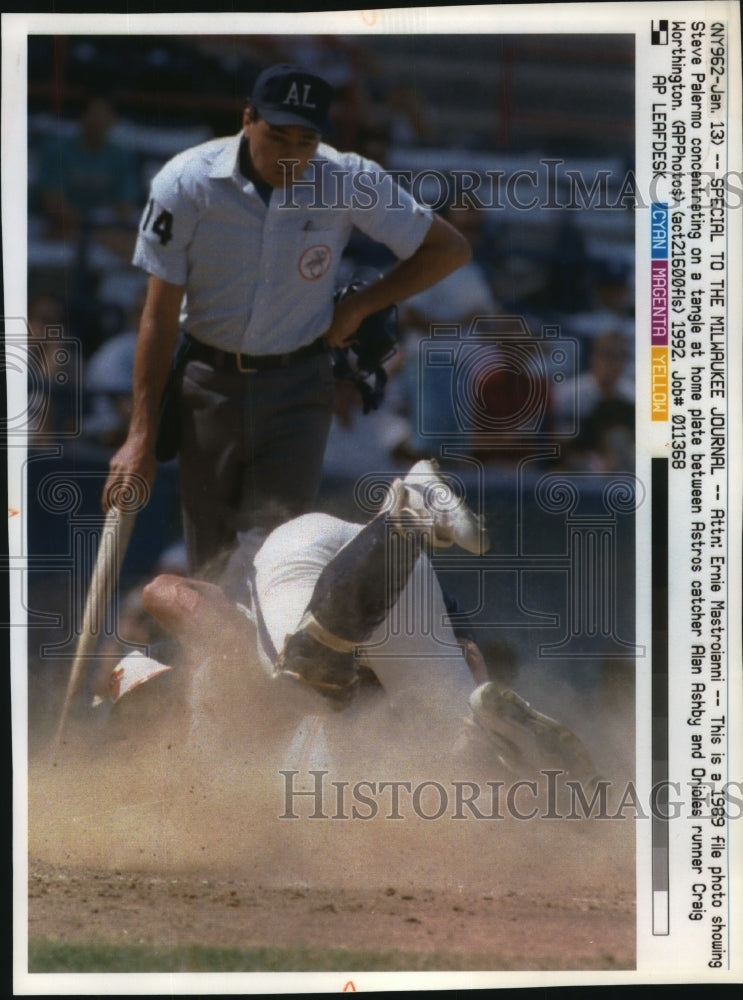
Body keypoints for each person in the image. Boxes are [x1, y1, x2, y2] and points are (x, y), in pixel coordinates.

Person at [103, 64, 471, 594]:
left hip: (297, 385)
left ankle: (398, 526)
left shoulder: (346, 178)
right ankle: (216, 676)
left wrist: (363, 305)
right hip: (207, 383)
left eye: (305, 140)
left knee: (274, 556)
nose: (291, 154)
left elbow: (450, 249)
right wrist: (138, 436)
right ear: (247, 119)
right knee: (211, 565)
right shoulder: (186, 183)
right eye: (277, 136)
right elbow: (158, 317)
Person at [103, 461, 596, 782]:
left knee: (304, 676)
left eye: (141, 709)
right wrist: (478, 688)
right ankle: (560, 801)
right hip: (391, 581)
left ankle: (404, 512)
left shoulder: (203, 687)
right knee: (463, 758)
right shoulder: (201, 771)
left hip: (299, 563)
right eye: (135, 720)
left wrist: (233, 653)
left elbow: (163, 591)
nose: (143, 728)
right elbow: (462, 645)